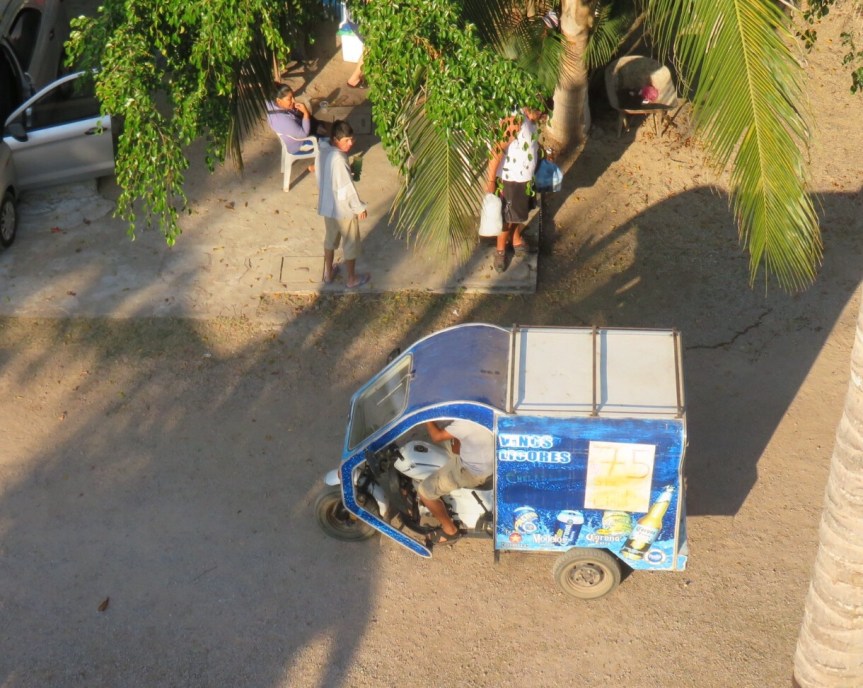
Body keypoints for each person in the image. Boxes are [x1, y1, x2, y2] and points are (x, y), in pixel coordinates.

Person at [486, 104, 547, 273]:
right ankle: (500, 250)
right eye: (541, 112)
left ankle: (515, 237)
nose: (541, 117)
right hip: (511, 179)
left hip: (524, 178)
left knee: (517, 214)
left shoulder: (529, 119)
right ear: (531, 106)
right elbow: (497, 150)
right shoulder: (515, 120)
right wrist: (491, 181)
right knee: (507, 218)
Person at [418, 419, 494, 546]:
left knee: (424, 491)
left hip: (471, 472)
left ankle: (450, 530)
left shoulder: (466, 422)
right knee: (445, 443)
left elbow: (436, 436)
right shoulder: (488, 414)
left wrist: (427, 419)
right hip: (489, 464)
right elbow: (456, 447)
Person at [316, 120, 371, 288]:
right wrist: (359, 208)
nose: (350, 143)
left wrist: (348, 169)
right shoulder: (339, 159)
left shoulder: (323, 151)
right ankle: (351, 279)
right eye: (346, 140)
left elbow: (330, 176)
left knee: (330, 240)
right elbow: (347, 188)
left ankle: (328, 274)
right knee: (350, 243)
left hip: (327, 206)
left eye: (351, 139)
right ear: (335, 139)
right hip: (343, 209)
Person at [266, 85, 325, 154]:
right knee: (325, 139)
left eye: (293, 97)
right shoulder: (282, 120)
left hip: (293, 134)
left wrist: (294, 110)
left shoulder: (272, 104)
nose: (293, 101)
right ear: (278, 100)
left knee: (321, 127)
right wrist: (305, 113)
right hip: (299, 145)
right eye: (289, 99)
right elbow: (304, 135)